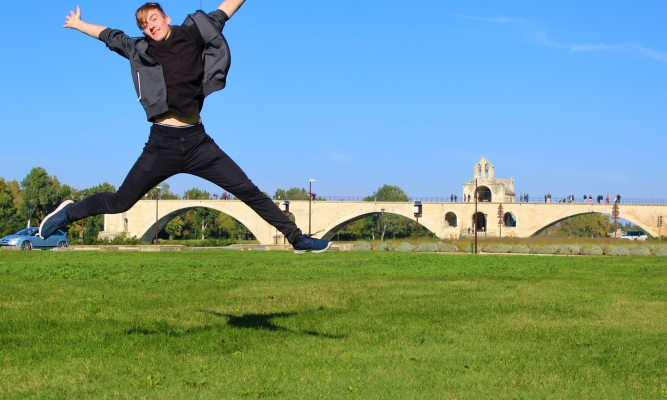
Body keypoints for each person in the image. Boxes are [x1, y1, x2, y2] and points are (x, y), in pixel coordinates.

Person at [40, 1, 330, 254]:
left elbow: (226, 9)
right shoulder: (139, 49)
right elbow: (108, 35)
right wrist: (78, 24)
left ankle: (297, 239)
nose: (150, 26)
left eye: (153, 18)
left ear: (166, 18)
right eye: (144, 24)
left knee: (248, 190)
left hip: (197, 142)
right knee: (120, 202)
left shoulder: (193, 32)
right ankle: (67, 214)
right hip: (162, 143)